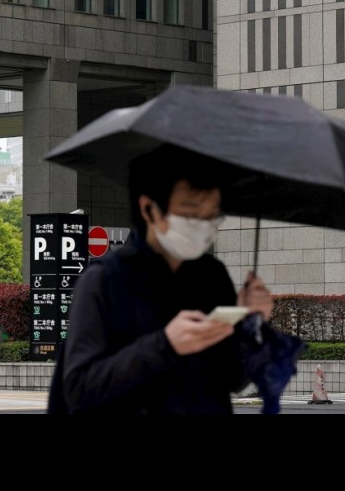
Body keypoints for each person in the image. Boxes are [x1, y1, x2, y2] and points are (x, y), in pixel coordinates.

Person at [49, 144, 300, 414]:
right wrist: (166, 345)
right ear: (149, 209)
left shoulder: (212, 275)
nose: (203, 224)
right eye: (191, 212)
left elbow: (233, 378)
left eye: (212, 214)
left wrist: (250, 322)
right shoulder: (105, 280)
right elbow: (78, 389)